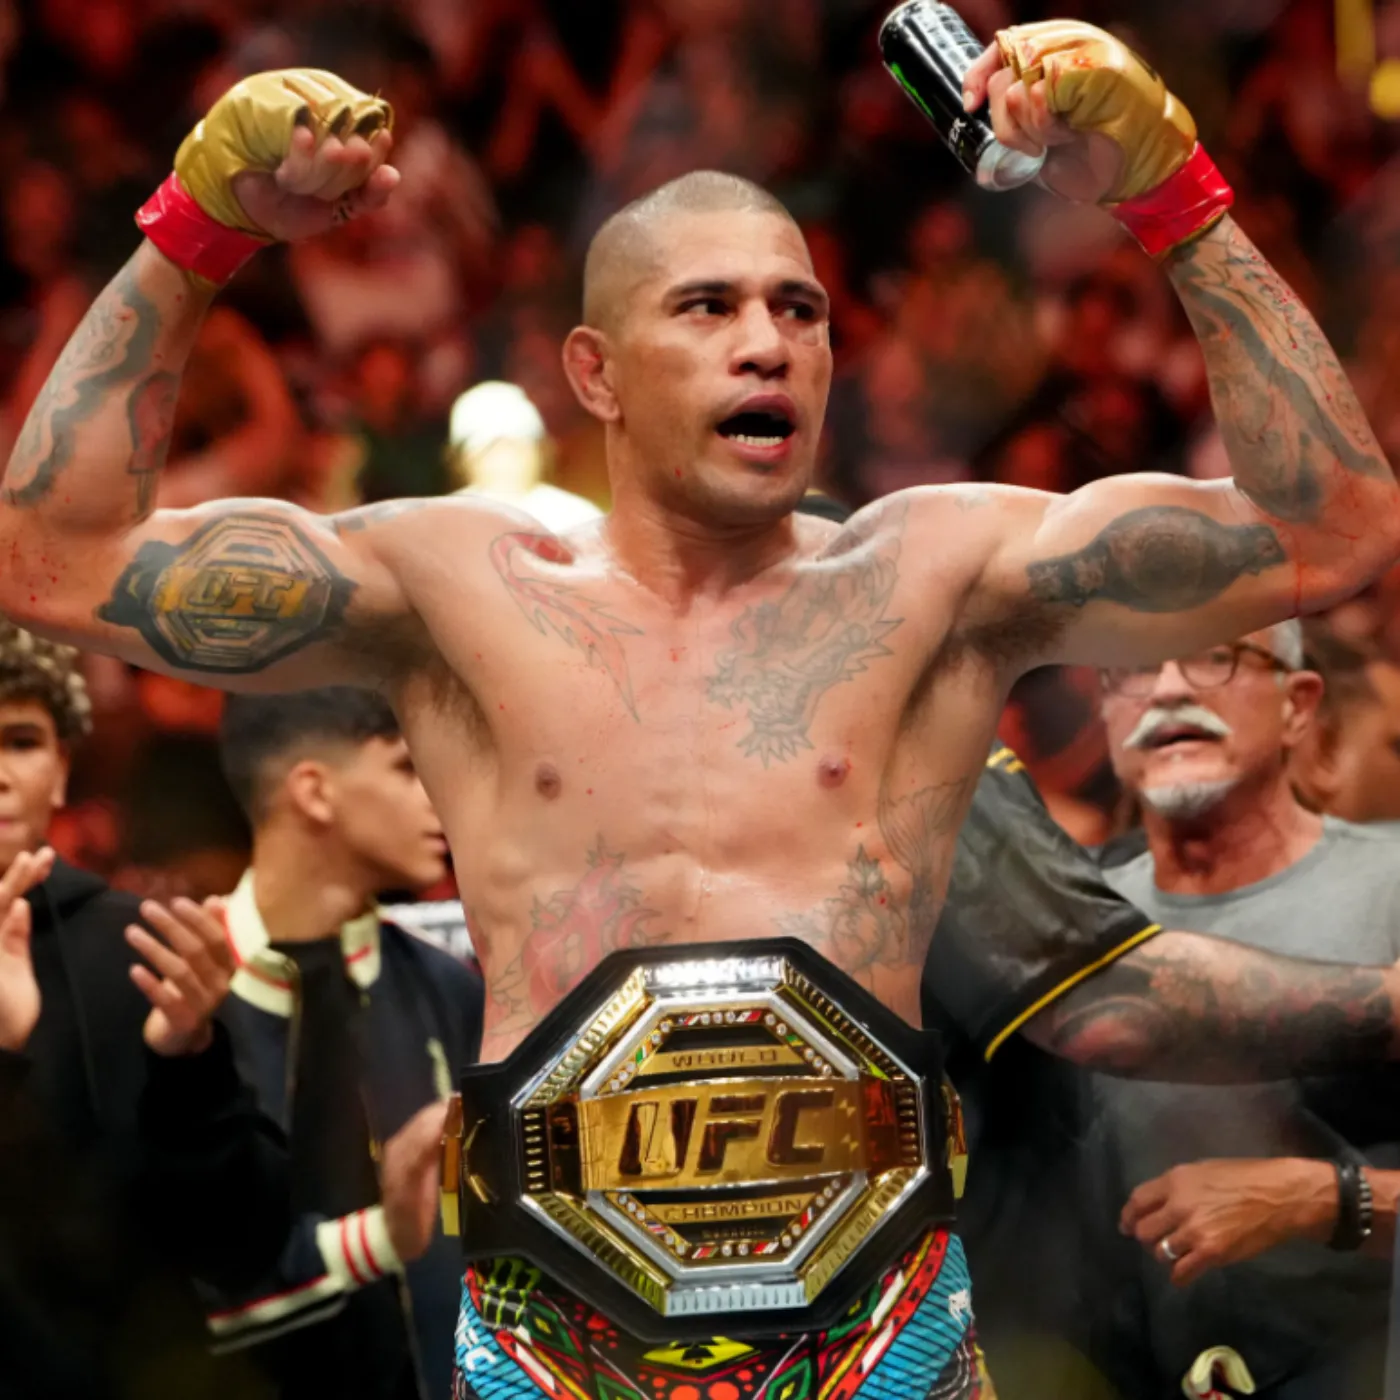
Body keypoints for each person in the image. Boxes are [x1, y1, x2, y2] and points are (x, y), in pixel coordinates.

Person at [2, 29, 1399, 1397]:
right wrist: (196, 231)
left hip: (881, 1339)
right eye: (708, 308)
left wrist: (1172, 193)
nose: (766, 345)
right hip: (553, 1348)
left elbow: (1333, 529)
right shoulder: (459, 591)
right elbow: (50, 560)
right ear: (595, 372)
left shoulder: (935, 579)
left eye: (800, 311)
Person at [1094, 620, 1400, 1397]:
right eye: (1133, 666)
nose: (1168, 689)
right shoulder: (1062, 932)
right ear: (1103, 717)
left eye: (1214, 655)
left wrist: (1324, 1199)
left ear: (1299, 704)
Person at [0, 619, 288, 1400]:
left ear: (61, 770)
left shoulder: (141, 946)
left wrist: (191, 1065)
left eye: (21, 741)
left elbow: (242, 1249)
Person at [205, 687, 484, 1400]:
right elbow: (172, 1286)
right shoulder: (183, 1003)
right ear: (314, 791)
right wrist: (383, 1236)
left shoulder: (449, 985)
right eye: (406, 767)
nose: (440, 798)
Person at [444, 379, 602, 532]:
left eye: (517, 446)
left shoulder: (578, 517)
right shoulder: (443, 520)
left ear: (540, 451)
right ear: (464, 459)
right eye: (492, 448)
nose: (506, 459)